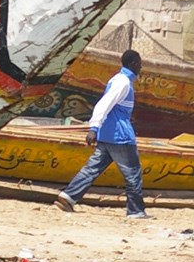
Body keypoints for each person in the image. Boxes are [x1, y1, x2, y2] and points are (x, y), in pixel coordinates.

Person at [55, 49, 149, 219]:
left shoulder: (117, 79)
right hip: (120, 137)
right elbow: (103, 104)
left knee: (92, 169)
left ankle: (68, 197)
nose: (141, 67)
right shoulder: (123, 83)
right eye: (140, 63)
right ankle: (136, 211)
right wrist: (93, 127)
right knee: (133, 174)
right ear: (133, 64)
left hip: (106, 136)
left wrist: (97, 129)